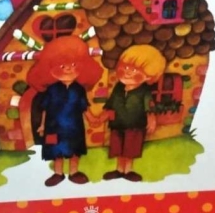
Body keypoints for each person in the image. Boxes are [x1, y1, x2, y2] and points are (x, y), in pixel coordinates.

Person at [27, 35, 102, 187]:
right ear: (50, 69)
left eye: (73, 64)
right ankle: (58, 173)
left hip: (74, 127)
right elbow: (45, 108)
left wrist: (92, 118)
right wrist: (42, 125)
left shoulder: (79, 89)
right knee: (56, 152)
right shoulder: (51, 90)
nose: (68, 69)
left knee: (75, 150)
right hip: (53, 127)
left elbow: (84, 106)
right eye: (62, 66)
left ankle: (74, 172)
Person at [98, 45, 166, 182]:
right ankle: (119, 169)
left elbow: (149, 107)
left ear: (148, 76)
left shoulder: (144, 91)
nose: (127, 72)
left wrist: (151, 119)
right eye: (125, 67)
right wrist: (103, 116)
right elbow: (111, 103)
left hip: (135, 125)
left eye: (134, 70)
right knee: (118, 148)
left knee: (130, 149)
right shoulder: (118, 87)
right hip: (117, 124)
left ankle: (128, 170)